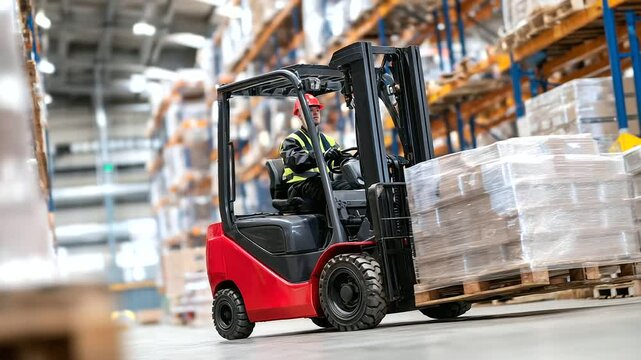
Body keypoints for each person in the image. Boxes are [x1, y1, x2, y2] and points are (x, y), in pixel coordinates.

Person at [279, 93, 353, 213]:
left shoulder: (328, 140)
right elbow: (296, 162)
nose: (315, 113)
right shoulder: (291, 140)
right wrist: (321, 156)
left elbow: (339, 159)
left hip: (322, 183)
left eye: (317, 110)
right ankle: (334, 226)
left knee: (352, 186)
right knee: (326, 189)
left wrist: (348, 159)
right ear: (299, 114)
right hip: (300, 186)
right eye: (310, 110)